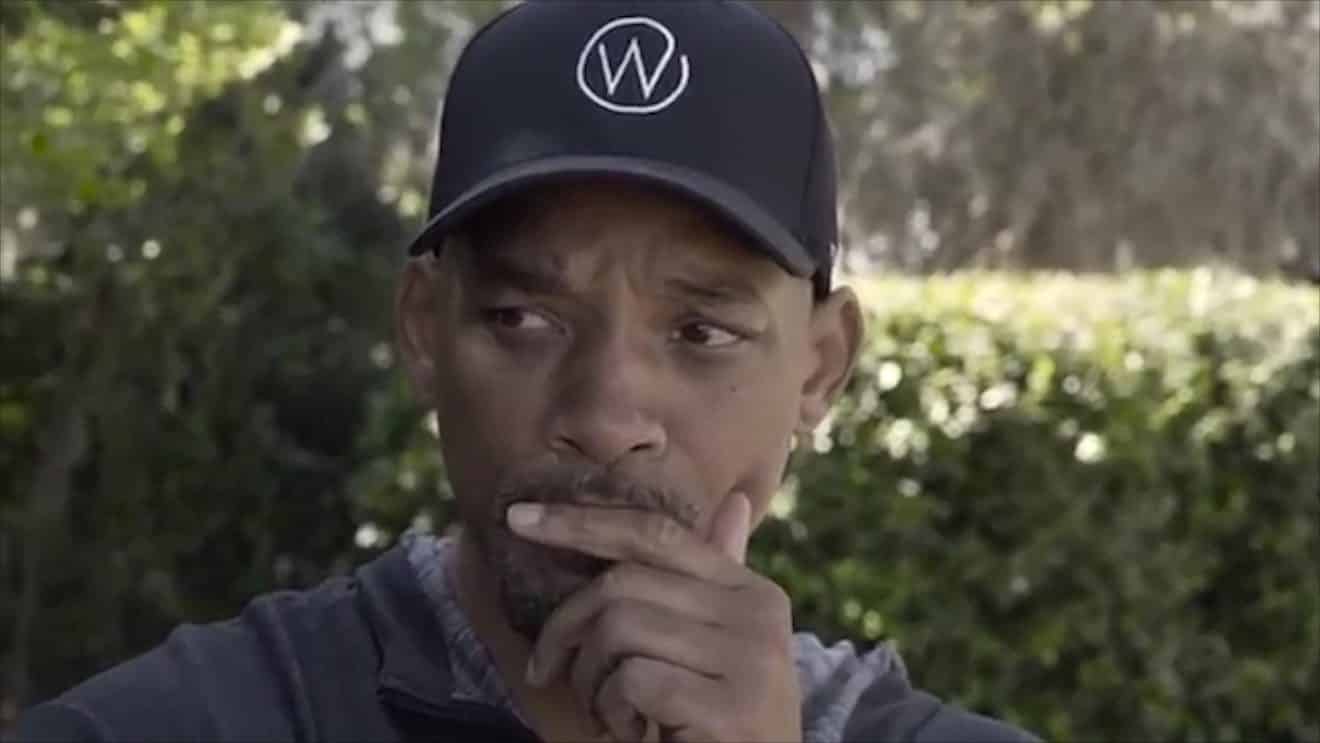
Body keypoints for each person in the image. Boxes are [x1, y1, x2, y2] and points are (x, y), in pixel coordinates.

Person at [16, 2, 1038, 741]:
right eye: (523, 318)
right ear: (424, 330)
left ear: (820, 367)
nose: (608, 415)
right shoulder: (186, 721)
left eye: (700, 331)